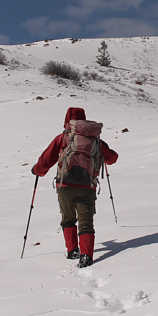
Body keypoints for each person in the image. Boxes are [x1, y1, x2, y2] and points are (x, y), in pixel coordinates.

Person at [31, 107, 118, 268]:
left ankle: (72, 251)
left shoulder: (64, 138)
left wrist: (37, 171)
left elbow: (47, 159)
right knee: (86, 222)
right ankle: (86, 256)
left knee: (68, 219)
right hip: (88, 186)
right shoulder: (95, 140)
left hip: (65, 185)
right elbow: (112, 158)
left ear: (67, 120)